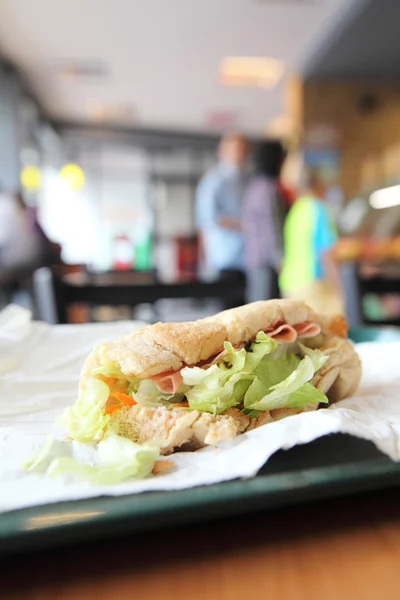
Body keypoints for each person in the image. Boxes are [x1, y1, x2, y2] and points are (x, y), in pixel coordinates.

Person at [279, 170, 343, 315]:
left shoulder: (295, 210)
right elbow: (326, 252)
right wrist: (339, 288)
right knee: (330, 331)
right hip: (313, 283)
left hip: (290, 284)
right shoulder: (318, 208)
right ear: (317, 186)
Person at [195, 133, 248, 279]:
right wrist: (245, 224)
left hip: (245, 259)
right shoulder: (214, 181)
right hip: (224, 258)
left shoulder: (247, 179)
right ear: (222, 151)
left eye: (242, 148)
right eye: (235, 148)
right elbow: (208, 220)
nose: (239, 153)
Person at [242, 140, 287, 302]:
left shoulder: (254, 186)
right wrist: (279, 258)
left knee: (257, 305)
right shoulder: (268, 189)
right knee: (265, 312)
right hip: (266, 260)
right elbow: (271, 226)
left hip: (254, 257)